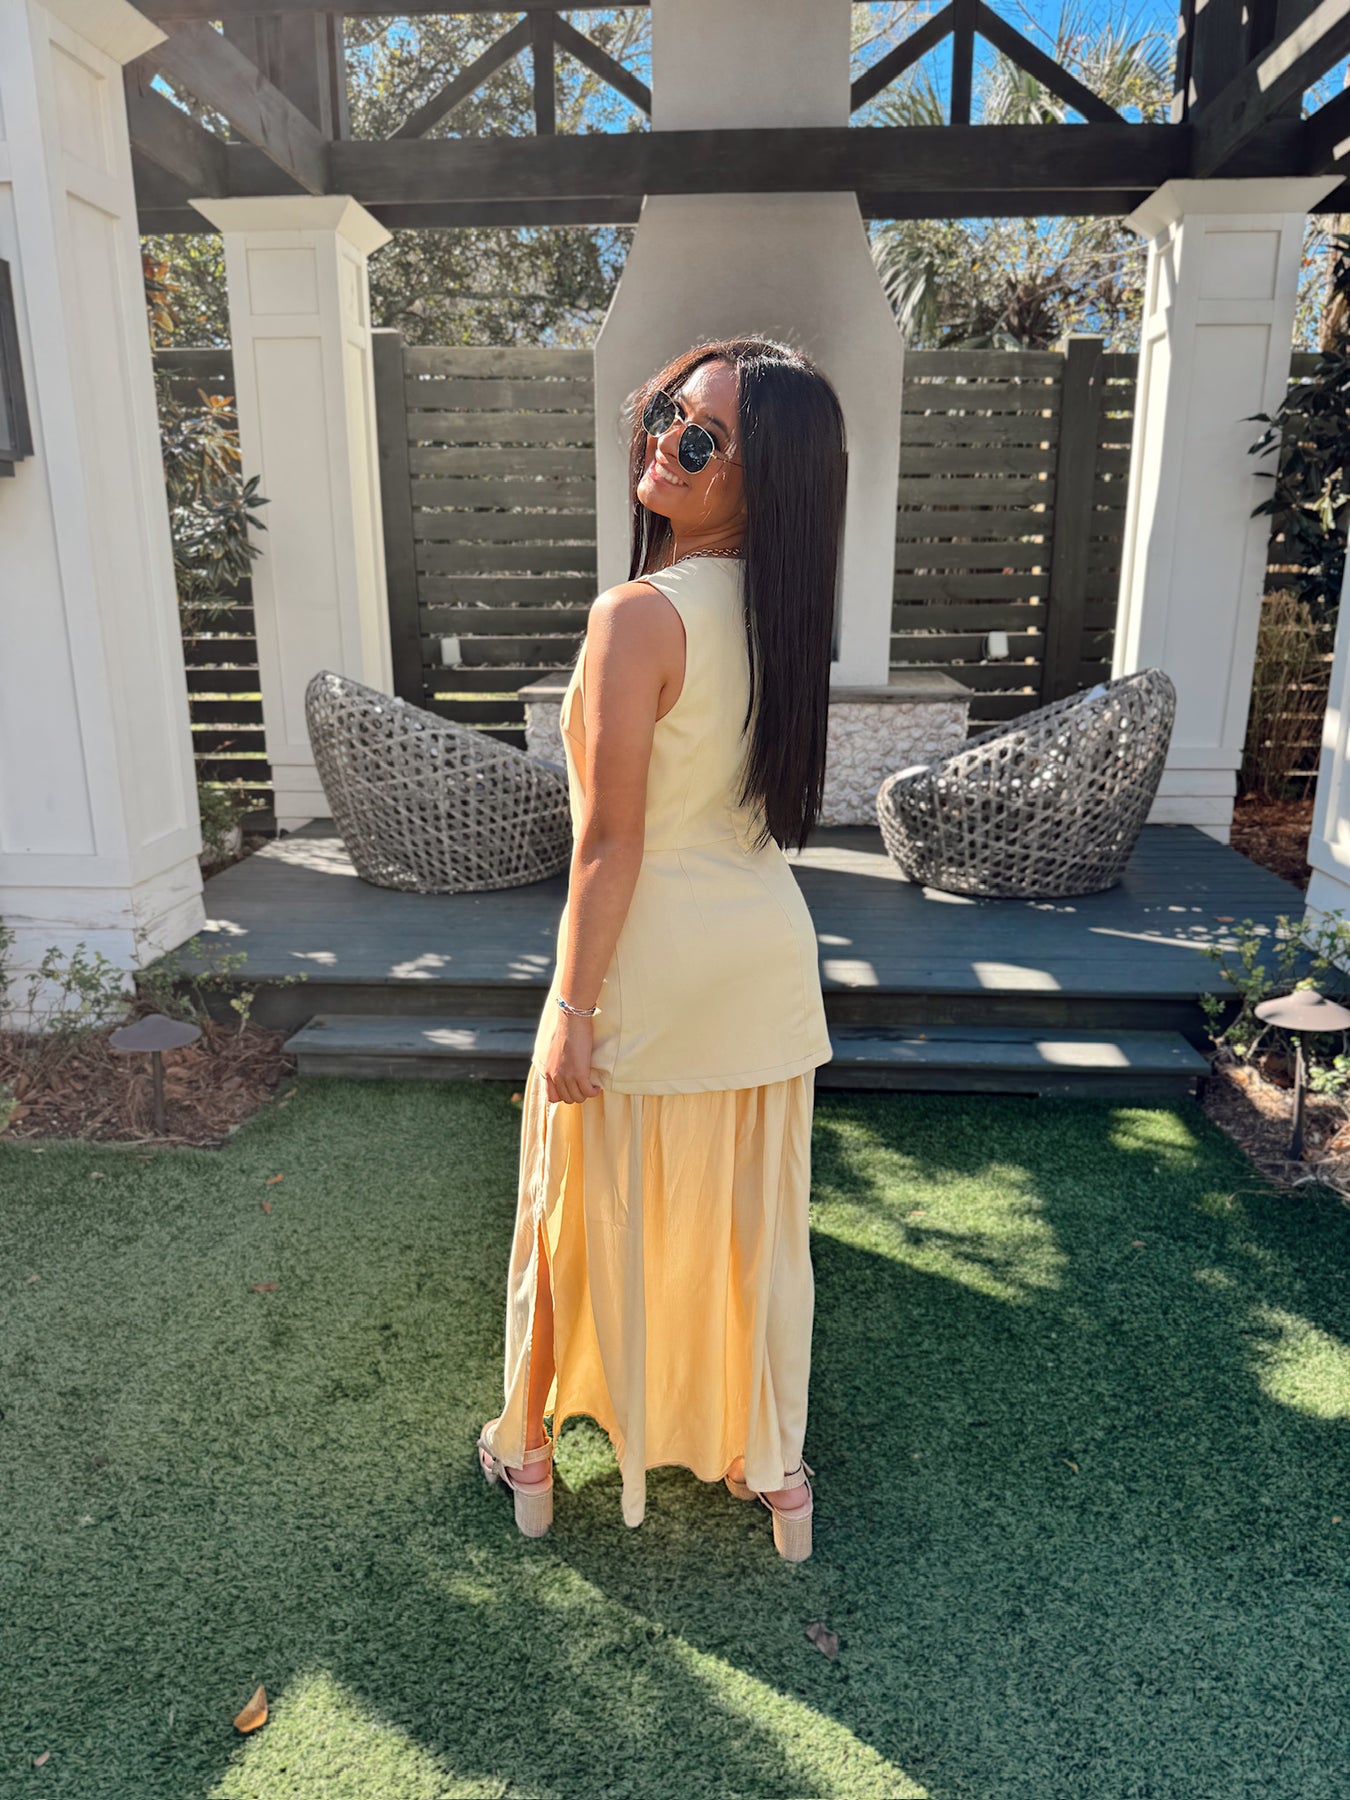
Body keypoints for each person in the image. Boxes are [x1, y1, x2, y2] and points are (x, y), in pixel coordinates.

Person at [475, 335, 844, 1561]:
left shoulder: (637, 616)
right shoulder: (789, 618)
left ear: (762, 479)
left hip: (648, 960)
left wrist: (572, 1007)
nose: (663, 444)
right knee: (752, 1233)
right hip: (763, 960)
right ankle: (773, 1469)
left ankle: (528, 1447)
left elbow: (608, 845)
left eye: (700, 438)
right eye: (664, 414)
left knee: (570, 1213)